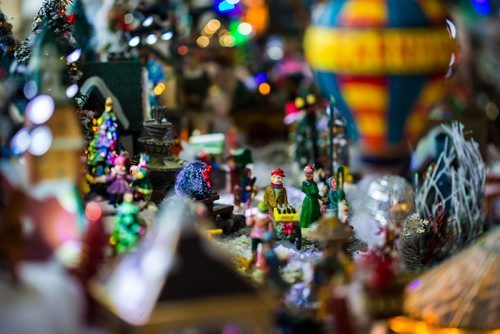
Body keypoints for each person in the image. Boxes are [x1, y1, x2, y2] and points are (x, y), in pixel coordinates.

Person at [245, 202, 274, 269]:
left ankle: (254, 259)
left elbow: (249, 224)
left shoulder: (255, 217)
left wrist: (249, 217)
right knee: (264, 249)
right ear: (266, 210)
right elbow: (271, 229)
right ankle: (262, 261)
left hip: (255, 235)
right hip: (264, 236)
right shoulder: (268, 219)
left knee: (254, 248)